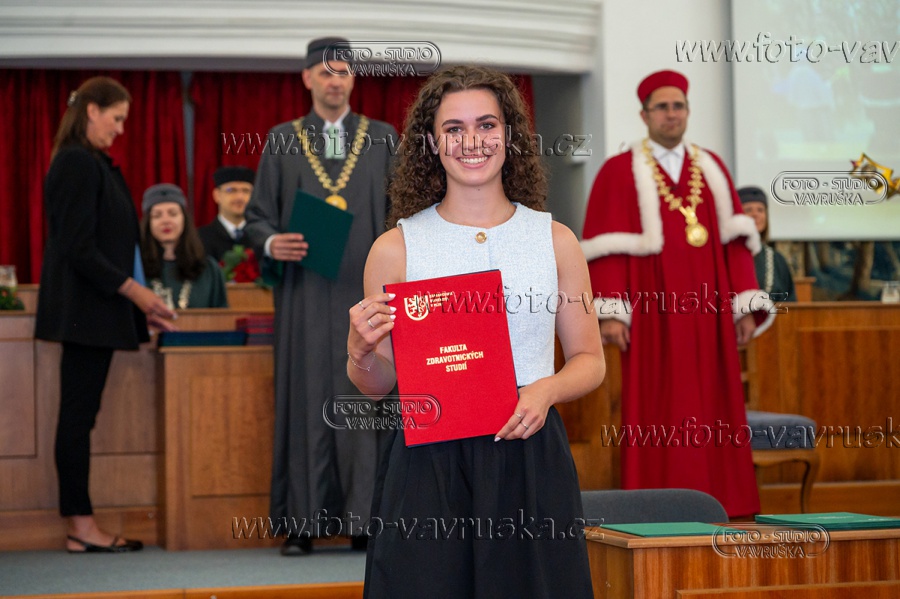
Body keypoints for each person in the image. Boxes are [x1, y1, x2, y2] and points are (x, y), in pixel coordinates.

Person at [347, 65, 604, 599]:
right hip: (427, 464)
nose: (472, 142)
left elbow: (589, 359)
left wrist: (545, 390)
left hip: (528, 451)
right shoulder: (395, 249)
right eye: (454, 128)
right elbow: (378, 386)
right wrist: (361, 353)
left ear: (509, 135)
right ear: (431, 142)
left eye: (486, 125)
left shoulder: (555, 240)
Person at [580, 70, 774, 518]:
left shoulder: (712, 167)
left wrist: (745, 305)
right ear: (644, 114)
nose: (672, 114)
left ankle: (726, 502)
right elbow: (607, 248)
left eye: (678, 106)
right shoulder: (617, 171)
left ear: (687, 111)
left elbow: (736, 243)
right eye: (662, 107)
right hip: (653, 313)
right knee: (656, 405)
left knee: (716, 403)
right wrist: (612, 311)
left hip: (710, 313)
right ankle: (657, 504)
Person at [244, 36, 399, 555]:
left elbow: (403, 211)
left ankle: (366, 520)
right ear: (307, 78)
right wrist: (272, 241)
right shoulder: (281, 140)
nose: (335, 81)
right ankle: (302, 523)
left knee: (365, 400)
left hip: (368, 293)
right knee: (306, 399)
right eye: (325, 72)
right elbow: (257, 217)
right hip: (306, 297)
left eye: (343, 72)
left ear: (354, 78)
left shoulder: (383, 139)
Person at [34, 76, 177, 553]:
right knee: (77, 418)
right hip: (84, 315)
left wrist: (139, 307)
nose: (120, 129)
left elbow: (110, 247)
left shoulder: (91, 161)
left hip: (94, 313)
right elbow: (79, 248)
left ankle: (81, 524)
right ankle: (81, 526)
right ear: (91, 110)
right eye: (116, 118)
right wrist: (138, 294)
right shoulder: (76, 161)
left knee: (81, 416)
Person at [140, 183, 228, 309]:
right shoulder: (137, 268)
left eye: (173, 214)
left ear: (184, 219)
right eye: (157, 215)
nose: (166, 221)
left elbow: (222, 315)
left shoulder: (209, 269)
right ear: (148, 223)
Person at [739, 186, 797, 302]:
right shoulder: (725, 257)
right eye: (748, 210)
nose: (755, 214)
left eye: (760, 210)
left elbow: (791, 303)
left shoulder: (776, 259)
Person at [198, 166, 255, 261]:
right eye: (231, 190)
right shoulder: (200, 238)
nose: (240, 197)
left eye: (246, 191)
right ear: (216, 195)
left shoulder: (261, 238)